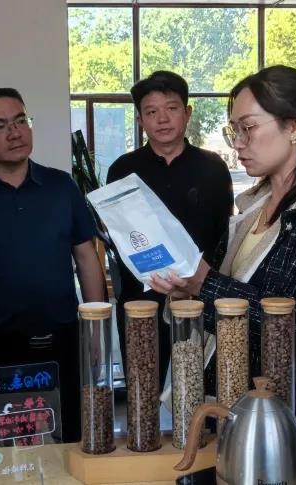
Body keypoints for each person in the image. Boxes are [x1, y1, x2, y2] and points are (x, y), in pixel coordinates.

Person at [149, 65, 296, 420]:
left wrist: (205, 285)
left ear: (294, 126)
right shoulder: (252, 210)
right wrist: (187, 291)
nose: (238, 143)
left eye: (249, 127)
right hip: (232, 410)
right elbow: (225, 294)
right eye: (234, 130)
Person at [0, 88, 105, 443]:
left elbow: (86, 257)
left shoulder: (61, 187)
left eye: (21, 120)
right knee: (4, 445)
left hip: (60, 338)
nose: (15, 132)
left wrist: (96, 329)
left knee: (71, 436)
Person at [106, 71, 234, 389]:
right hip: (141, 301)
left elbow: (224, 236)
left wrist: (199, 284)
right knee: (143, 384)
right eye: (151, 112)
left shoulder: (214, 167)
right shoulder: (122, 170)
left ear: (187, 113)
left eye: (172, 108)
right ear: (140, 120)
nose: (162, 119)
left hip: (199, 298)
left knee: (197, 385)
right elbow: (120, 238)